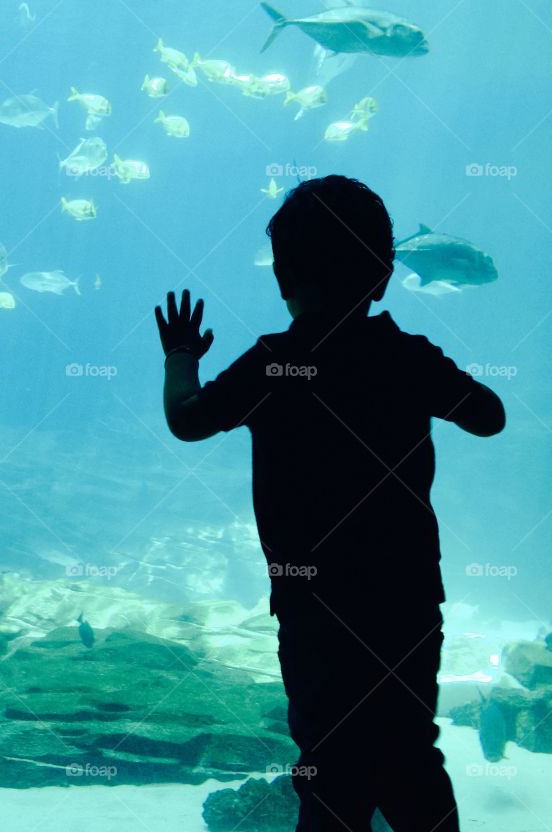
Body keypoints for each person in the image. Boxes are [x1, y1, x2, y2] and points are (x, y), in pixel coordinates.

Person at [155, 175, 505, 832]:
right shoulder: (405, 359)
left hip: (314, 608)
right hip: (405, 603)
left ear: (284, 278)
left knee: (328, 765)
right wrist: (429, 375)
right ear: (384, 275)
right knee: (410, 757)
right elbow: (490, 417)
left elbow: (189, 420)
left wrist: (180, 357)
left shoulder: (272, 363)